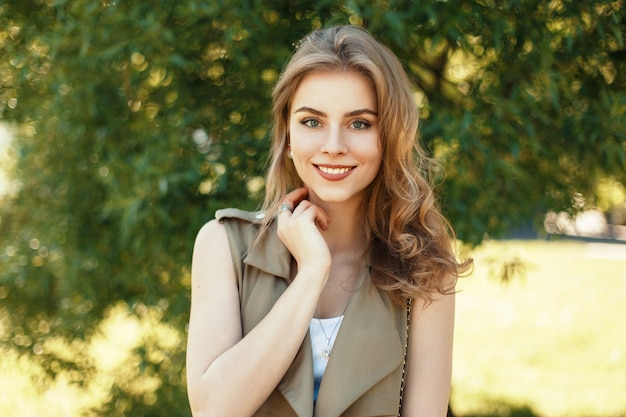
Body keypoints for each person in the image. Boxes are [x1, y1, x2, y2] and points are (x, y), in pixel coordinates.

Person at [186, 25, 472, 417]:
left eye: (359, 123)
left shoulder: (425, 264)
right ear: (288, 134)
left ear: (388, 135)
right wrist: (312, 272)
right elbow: (212, 411)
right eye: (312, 121)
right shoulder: (224, 244)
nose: (333, 146)